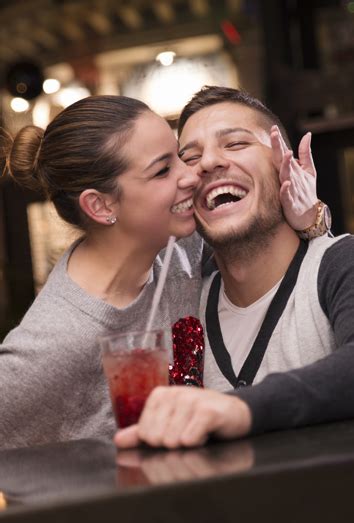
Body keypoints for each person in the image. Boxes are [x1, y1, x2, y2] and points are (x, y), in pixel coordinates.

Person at [0, 94, 317, 449]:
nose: (191, 175)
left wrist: (312, 221)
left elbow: (262, 236)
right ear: (100, 204)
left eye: (180, 156)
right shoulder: (53, 344)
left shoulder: (180, 243)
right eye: (163, 170)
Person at [115, 86, 354, 450]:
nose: (209, 162)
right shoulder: (180, 298)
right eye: (189, 157)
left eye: (236, 144)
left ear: (282, 164)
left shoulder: (338, 264)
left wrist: (238, 409)